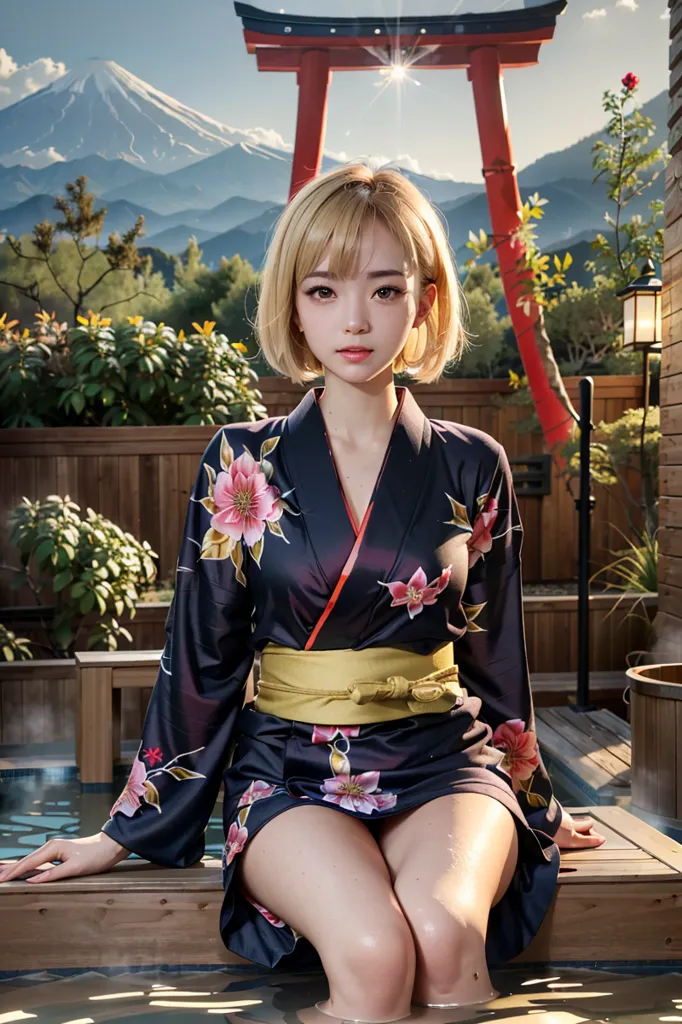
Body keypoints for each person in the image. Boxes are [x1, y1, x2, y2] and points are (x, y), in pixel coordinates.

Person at [0, 164, 605, 1023]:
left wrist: (536, 803)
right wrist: (120, 828)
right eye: (324, 290)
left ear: (425, 301)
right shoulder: (239, 461)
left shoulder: (474, 464)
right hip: (289, 765)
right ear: (292, 303)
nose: (354, 319)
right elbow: (203, 657)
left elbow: (496, 657)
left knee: (442, 935)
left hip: (445, 758)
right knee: (374, 952)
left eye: (385, 289)